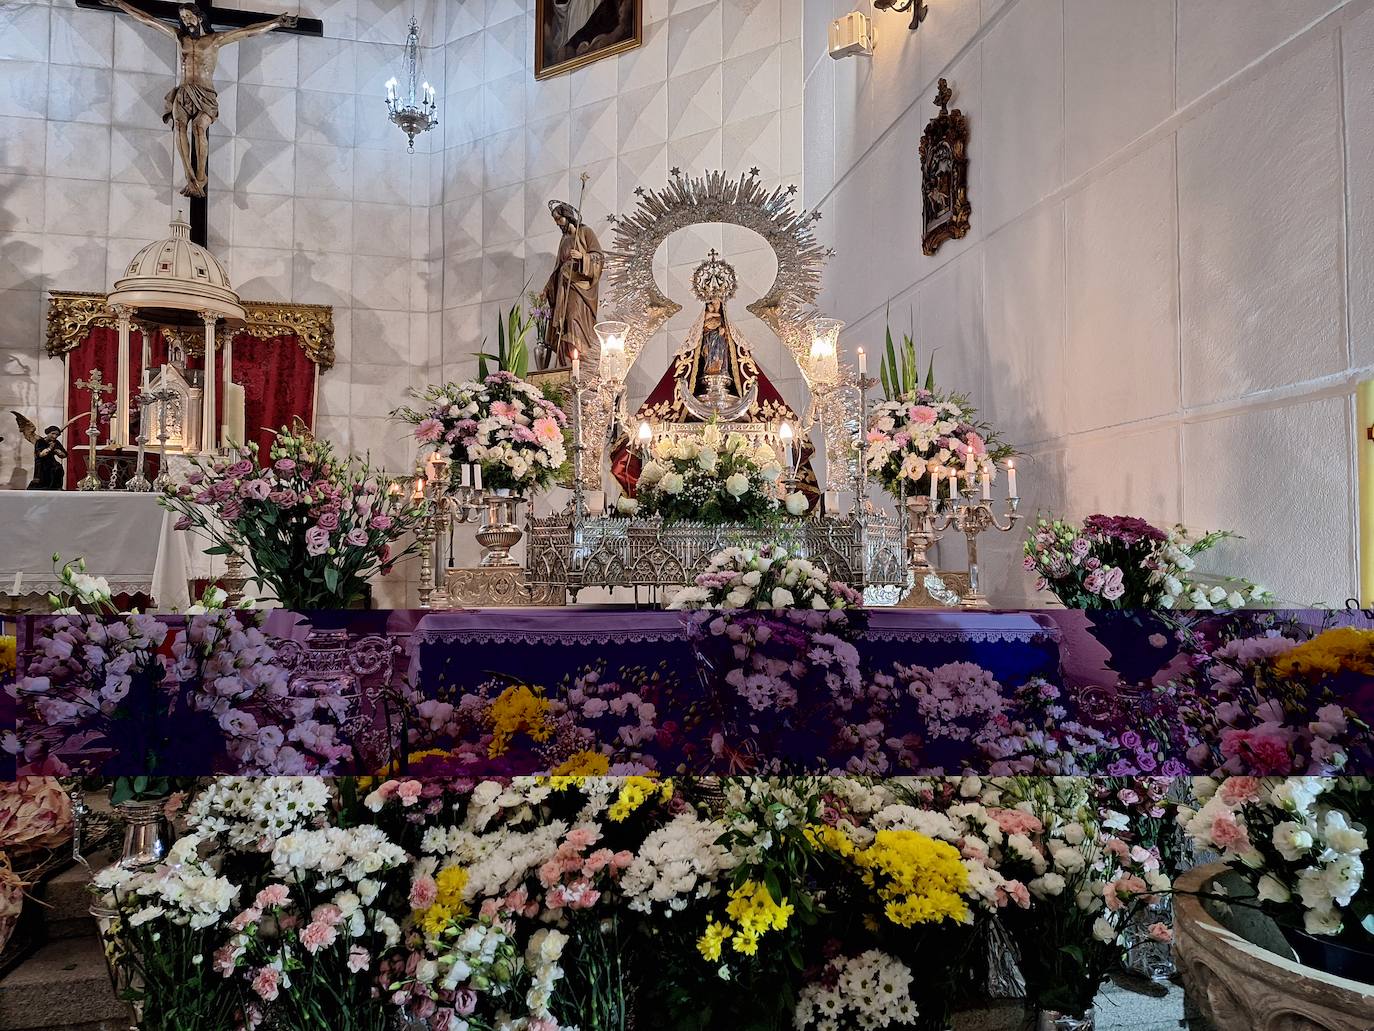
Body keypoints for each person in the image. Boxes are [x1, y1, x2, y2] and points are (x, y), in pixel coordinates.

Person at [100, 0, 296, 197]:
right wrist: (119, 3)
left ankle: (201, 176)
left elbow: (247, 32)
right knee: (179, 127)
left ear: (200, 17)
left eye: (189, 16)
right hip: (184, 92)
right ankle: (190, 176)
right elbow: (149, 20)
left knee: (199, 127)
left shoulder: (215, 40)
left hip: (205, 94)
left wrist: (276, 23)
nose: (186, 21)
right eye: (183, 18)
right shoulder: (179, 37)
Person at [540, 200, 604, 369]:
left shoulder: (586, 232)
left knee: (574, 317)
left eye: (559, 219)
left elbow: (598, 257)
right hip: (563, 287)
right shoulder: (564, 240)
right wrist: (548, 288)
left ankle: (580, 360)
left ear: (568, 217)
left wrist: (583, 257)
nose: (557, 223)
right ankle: (567, 362)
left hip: (579, 288)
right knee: (565, 322)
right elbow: (557, 267)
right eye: (555, 220)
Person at [29, 426, 67, 491]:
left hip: (51, 463)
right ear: (48, 433)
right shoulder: (40, 442)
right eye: (53, 433)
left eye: (57, 435)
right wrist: (50, 448)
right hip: (42, 464)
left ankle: (56, 487)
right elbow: (40, 454)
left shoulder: (56, 442)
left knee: (58, 468)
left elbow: (64, 455)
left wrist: (58, 452)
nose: (55, 436)